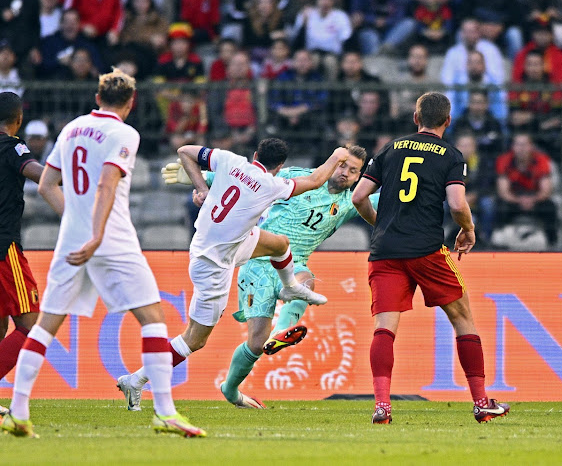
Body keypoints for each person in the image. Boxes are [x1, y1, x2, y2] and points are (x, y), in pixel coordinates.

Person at [1, 70, 205, 438]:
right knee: (153, 318)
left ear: (97, 98)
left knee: (45, 325)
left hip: (71, 239)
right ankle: (164, 411)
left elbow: (47, 185)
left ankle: (18, 411)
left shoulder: (71, 128)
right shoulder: (125, 133)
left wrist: (76, 223)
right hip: (112, 239)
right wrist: (96, 234)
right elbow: (108, 182)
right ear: (130, 102)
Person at [115, 139, 351, 410]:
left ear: (255, 155)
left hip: (220, 241)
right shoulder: (270, 185)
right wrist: (335, 156)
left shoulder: (230, 161)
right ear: (280, 166)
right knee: (195, 339)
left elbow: (184, 151)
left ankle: (290, 287)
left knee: (279, 244)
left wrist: (202, 187)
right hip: (214, 264)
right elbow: (313, 180)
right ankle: (137, 379)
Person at [351, 91, 510, 424]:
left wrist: (381, 225)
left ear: (415, 118)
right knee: (463, 318)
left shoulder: (391, 149)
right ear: (448, 121)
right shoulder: (451, 156)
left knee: (384, 328)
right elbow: (456, 203)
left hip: (385, 252)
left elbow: (359, 196)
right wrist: (468, 229)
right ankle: (481, 403)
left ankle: (382, 406)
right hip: (426, 250)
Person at [0, 92, 46, 418]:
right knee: (29, 325)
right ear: (17, 120)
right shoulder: (12, 145)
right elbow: (34, 171)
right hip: (4, 248)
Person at [494, 133, 558, 247]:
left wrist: (533, 199)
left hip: (535, 197)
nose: (521, 149)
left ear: (531, 146)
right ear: (513, 147)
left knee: (550, 207)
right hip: (514, 198)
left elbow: (546, 190)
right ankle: (499, 241)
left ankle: (552, 243)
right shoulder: (504, 160)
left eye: (524, 145)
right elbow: (503, 191)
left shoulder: (542, 160)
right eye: (518, 145)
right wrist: (519, 200)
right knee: (500, 206)